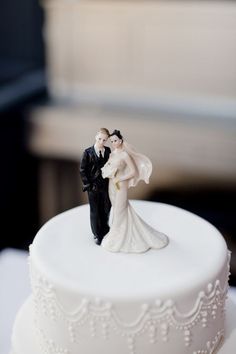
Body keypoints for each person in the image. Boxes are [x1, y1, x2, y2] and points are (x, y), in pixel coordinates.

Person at [101, 130, 169, 253]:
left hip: (120, 185)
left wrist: (120, 178)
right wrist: (108, 172)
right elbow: (108, 167)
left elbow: (133, 172)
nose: (113, 143)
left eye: (115, 140)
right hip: (112, 184)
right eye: (111, 141)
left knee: (120, 209)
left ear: (121, 140)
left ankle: (118, 236)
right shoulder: (112, 154)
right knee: (115, 207)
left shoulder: (125, 155)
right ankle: (117, 233)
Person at [80, 128, 111, 245]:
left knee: (106, 208)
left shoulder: (107, 151)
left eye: (104, 140)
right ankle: (96, 233)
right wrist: (89, 184)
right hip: (93, 187)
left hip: (105, 186)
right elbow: (82, 170)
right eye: (100, 139)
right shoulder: (87, 152)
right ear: (96, 137)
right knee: (95, 211)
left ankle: (105, 228)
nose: (101, 141)